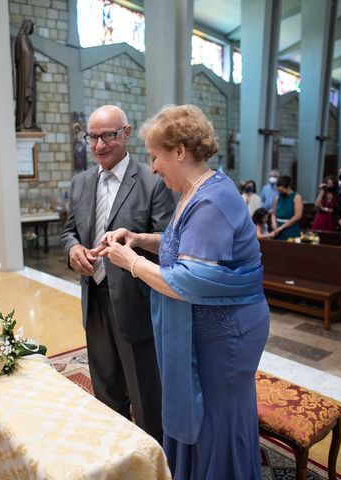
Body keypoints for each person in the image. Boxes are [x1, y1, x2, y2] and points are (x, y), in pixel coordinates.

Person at [96, 105, 269, 479]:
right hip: (210, 325)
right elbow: (181, 246)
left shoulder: (211, 201)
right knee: (202, 415)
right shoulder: (196, 191)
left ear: (179, 152)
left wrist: (132, 263)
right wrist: (140, 239)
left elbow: (189, 279)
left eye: (155, 157)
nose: (153, 167)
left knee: (216, 419)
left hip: (226, 334)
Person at [60, 105, 174, 441]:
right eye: (92, 137)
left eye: (108, 135)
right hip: (93, 296)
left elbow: (169, 242)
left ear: (126, 133)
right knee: (105, 383)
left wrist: (135, 246)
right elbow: (69, 232)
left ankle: (154, 454)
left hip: (135, 301)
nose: (98, 145)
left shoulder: (153, 182)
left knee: (145, 391)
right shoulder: (80, 182)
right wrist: (72, 250)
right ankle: (119, 449)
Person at [13, 19, 45, 131]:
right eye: (32, 27)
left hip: (28, 72)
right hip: (26, 76)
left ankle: (29, 122)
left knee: (30, 98)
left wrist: (35, 63)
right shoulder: (22, 38)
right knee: (27, 96)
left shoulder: (23, 38)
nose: (33, 29)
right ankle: (25, 123)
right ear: (28, 26)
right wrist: (35, 62)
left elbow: (28, 55)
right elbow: (26, 55)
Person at [271, 175, 303, 240]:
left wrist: (282, 227)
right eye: (278, 191)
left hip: (290, 228)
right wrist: (274, 223)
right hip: (277, 229)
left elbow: (298, 216)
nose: (280, 193)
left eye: (282, 191)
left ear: (288, 187)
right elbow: (273, 214)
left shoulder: (296, 197)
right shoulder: (277, 198)